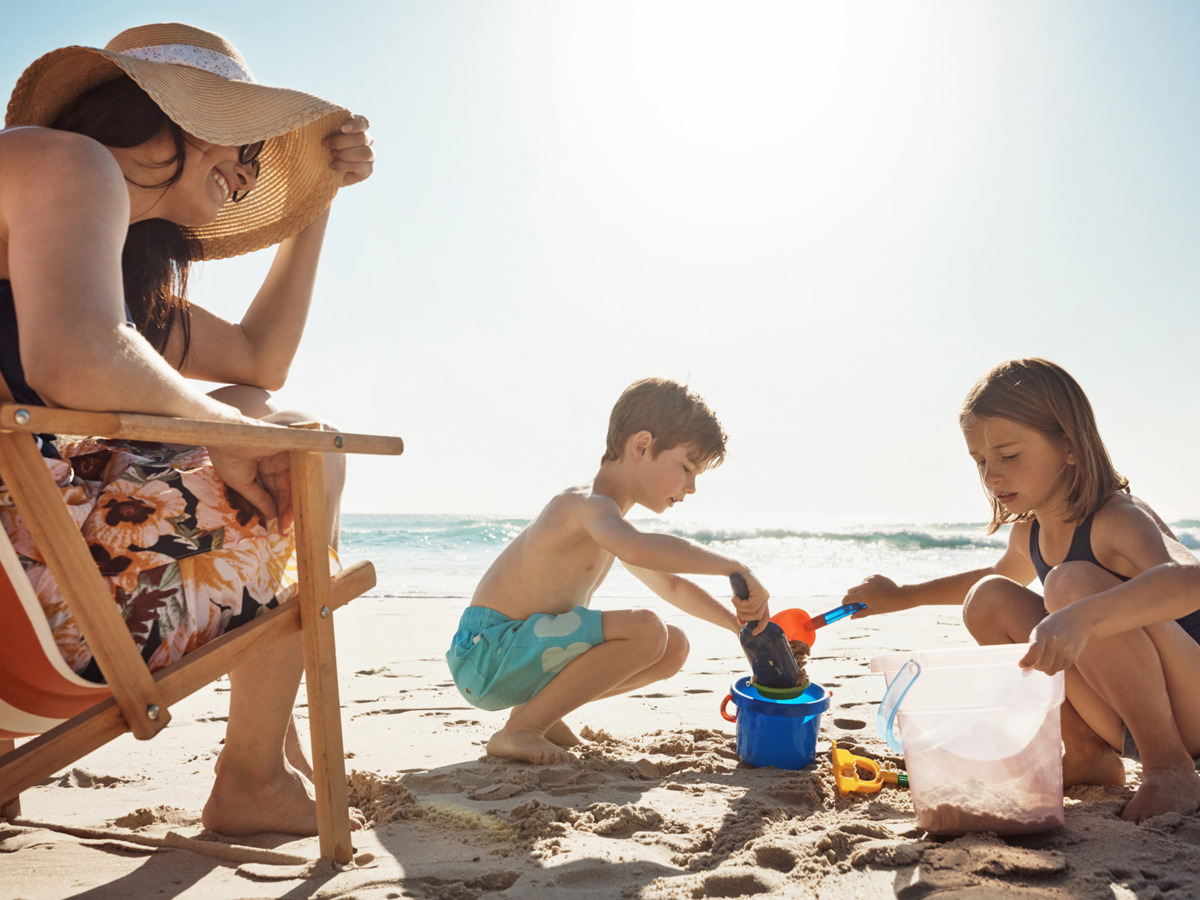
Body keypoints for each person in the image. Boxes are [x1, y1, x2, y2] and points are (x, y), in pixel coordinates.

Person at [0, 23, 374, 835]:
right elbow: (74, 354)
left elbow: (258, 359)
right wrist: (234, 437)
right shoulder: (63, 160)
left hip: (31, 610)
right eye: (247, 146)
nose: (249, 175)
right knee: (301, 451)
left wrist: (315, 204)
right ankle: (257, 770)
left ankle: (270, 754)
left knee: (263, 413)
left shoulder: (108, 272)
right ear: (174, 109)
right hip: (39, 599)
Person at [843, 358, 1200, 822]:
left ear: (1069, 447)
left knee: (1070, 583)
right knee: (988, 598)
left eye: (1009, 456)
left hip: (1187, 704)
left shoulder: (1116, 517)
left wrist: (1086, 615)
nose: (991, 475)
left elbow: (1190, 580)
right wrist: (902, 595)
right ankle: (1087, 754)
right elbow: (991, 583)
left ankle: (1169, 768)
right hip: (1123, 715)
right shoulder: (1028, 533)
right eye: (980, 461)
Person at [446, 377, 772, 765]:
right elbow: (640, 547)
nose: (691, 487)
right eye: (686, 468)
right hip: (487, 652)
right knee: (646, 630)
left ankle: (539, 715)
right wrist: (733, 567)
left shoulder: (609, 523)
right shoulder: (586, 506)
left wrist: (737, 627)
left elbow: (670, 583)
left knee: (673, 647)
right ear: (642, 446)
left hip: (517, 652)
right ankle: (521, 730)